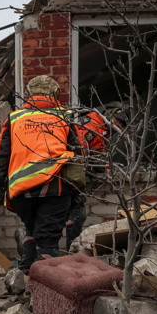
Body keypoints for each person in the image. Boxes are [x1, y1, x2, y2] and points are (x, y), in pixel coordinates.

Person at [0, 75, 84, 271]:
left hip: (21, 192)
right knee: (48, 240)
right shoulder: (64, 116)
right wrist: (78, 192)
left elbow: (1, 156)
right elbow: (78, 155)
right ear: (54, 94)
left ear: (29, 94)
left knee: (32, 229)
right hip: (55, 190)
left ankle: (25, 276)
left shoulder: (15, 118)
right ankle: (44, 286)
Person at [62, 104, 129, 249]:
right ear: (109, 116)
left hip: (73, 171)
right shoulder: (94, 125)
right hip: (70, 171)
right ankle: (72, 250)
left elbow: (96, 155)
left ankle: (70, 250)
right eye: (117, 120)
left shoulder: (103, 130)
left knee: (72, 213)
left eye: (121, 123)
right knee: (76, 213)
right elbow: (80, 148)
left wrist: (104, 170)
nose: (118, 124)